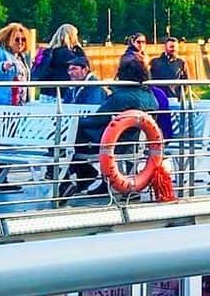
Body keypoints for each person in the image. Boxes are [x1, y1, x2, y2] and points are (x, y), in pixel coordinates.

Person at [65, 55, 160, 198]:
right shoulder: (150, 96)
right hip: (135, 143)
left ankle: (68, 179)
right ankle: (103, 181)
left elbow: (97, 119)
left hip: (113, 143)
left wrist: (74, 121)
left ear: (122, 75)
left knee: (68, 137)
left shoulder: (120, 97)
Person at [36, 24, 85, 99]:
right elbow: (83, 64)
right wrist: (79, 49)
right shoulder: (68, 54)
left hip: (46, 93)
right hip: (62, 94)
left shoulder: (48, 52)